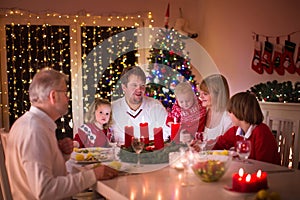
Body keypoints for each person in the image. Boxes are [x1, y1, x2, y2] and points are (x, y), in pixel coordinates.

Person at [5, 68, 118, 199]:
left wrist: (61, 154)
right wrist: (94, 175)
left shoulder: (30, 123)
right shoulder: (34, 131)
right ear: (53, 96)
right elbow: (45, 191)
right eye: (65, 93)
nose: (68, 98)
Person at [212, 92, 281, 165]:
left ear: (239, 112)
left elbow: (264, 164)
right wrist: (204, 147)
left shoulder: (261, 132)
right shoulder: (236, 130)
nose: (229, 115)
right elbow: (219, 144)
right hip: (247, 170)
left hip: (269, 174)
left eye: (230, 112)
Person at [111, 66, 170, 143]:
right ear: (124, 87)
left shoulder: (156, 106)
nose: (139, 89)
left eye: (142, 85)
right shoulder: (113, 108)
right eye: (134, 85)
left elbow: (166, 133)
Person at [196, 74, 233, 150]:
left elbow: (229, 148)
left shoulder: (228, 118)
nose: (201, 97)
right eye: (200, 93)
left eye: (205, 94)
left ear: (218, 95)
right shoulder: (202, 113)